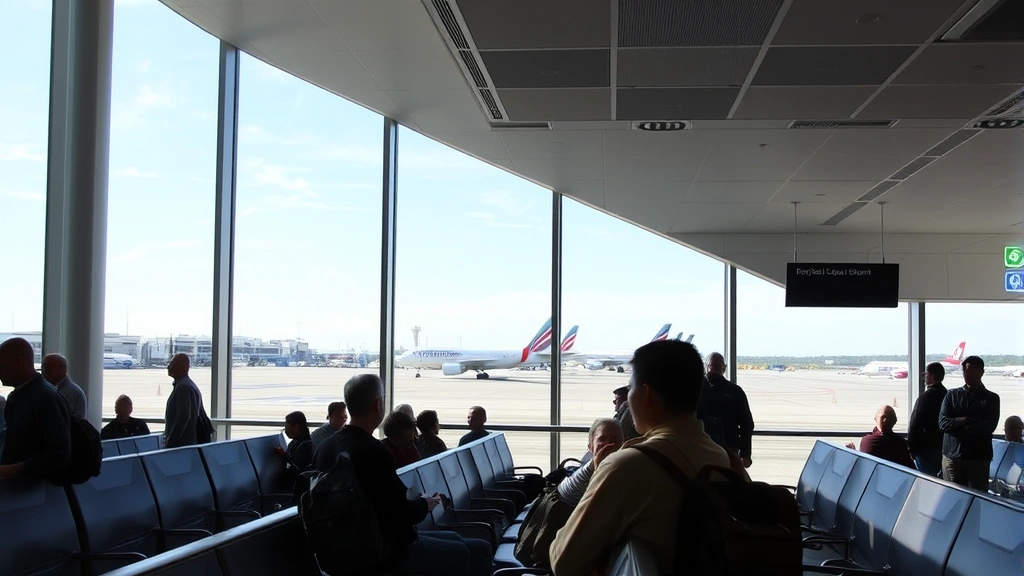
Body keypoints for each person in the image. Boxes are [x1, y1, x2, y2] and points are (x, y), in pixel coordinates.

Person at [550, 340, 749, 576]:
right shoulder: (729, 463)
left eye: (630, 388)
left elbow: (564, 560)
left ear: (645, 394)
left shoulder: (625, 466)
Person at [311, 374, 492, 576]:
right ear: (378, 405)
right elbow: (399, 514)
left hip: (347, 549)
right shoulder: (373, 451)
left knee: (461, 543)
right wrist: (425, 504)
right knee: (468, 550)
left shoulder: (325, 447)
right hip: (384, 552)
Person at [0, 337, 72, 483]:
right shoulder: (23, 396)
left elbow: (59, 454)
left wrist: (12, 469)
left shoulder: (44, 398)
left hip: (28, 493)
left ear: (18, 361)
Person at [939, 356, 1000, 490]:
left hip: (978, 459)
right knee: (952, 498)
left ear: (981, 372)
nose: (967, 374)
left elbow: (989, 426)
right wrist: (966, 420)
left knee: (978, 500)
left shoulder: (991, 398)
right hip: (952, 457)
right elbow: (943, 423)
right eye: (965, 371)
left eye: (971, 371)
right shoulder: (951, 395)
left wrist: (958, 426)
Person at [696, 352, 755, 467]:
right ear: (705, 366)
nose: (713, 370)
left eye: (717, 367)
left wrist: (745, 453)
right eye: (711, 366)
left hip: (728, 448)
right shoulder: (694, 390)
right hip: (699, 447)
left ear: (724, 368)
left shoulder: (735, 392)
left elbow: (746, 424)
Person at [557, 418, 623, 506]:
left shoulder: (626, 468)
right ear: (591, 447)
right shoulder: (585, 474)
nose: (609, 444)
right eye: (602, 439)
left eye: (615, 439)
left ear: (623, 444)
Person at [163, 353, 213, 448]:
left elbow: (184, 416)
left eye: (172, 364)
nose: (168, 367)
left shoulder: (183, 387)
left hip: (182, 444)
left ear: (182, 366)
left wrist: (171, 440)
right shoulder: (188, 385)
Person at [907, 362, 948, 476]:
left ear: (932, 377)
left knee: (926, 479)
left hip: (926, 449)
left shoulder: (925, 397)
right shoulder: (948, 395)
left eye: (926, 375)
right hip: (943, 447)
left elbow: (915, 423)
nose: (924, 378)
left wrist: (911, 447)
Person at [846, 405, 914, 469]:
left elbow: (863, 465)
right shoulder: (901, 444)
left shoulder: (866, 441)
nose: (884, 420)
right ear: (895, 421)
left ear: (875, 419)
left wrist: (854, 453)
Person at [41, 353, 87, 419]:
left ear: (62, 368)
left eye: (47, 367)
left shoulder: (72, 392)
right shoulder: (61, 390)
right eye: (42, 368)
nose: (43, 371)